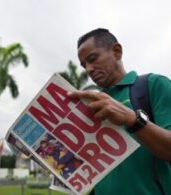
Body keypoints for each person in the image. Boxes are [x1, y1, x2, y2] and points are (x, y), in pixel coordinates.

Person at [67, 28, 171, 195]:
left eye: (93, 59)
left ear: (116, 51)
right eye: (84, 65)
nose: (88, 69)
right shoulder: (91, 105)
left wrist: (131, 118)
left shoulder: (153, 85)